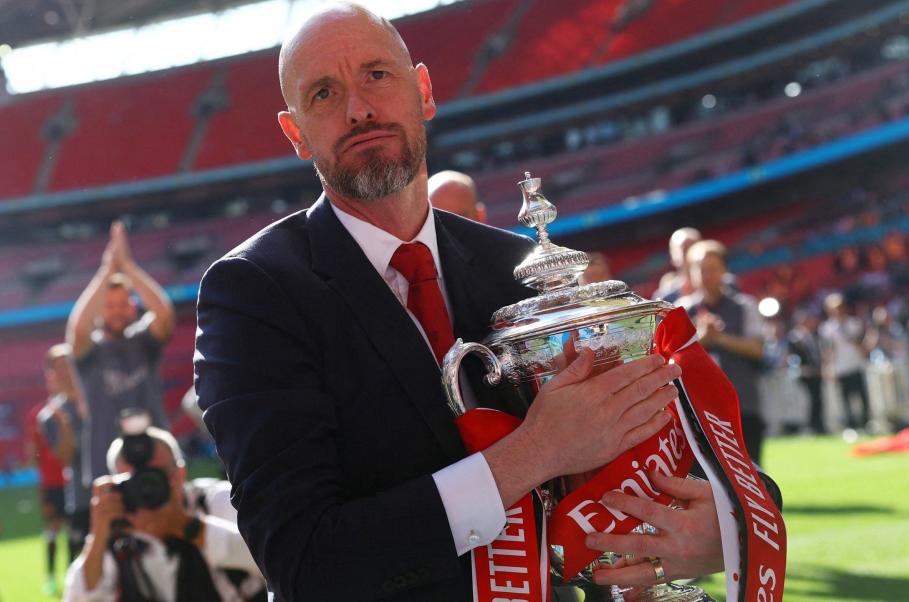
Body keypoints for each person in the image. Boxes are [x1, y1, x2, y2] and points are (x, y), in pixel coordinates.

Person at [193, 4, 721, 600]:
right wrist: (535, 453)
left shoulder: (521, 269)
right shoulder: (252, 292)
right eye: (323, 93)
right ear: (296, 134)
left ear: (424, 91)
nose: (359, 109)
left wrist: (714, 529)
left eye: (377, 75)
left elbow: (678, 449)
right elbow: (304, 559)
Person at [63, 426, 265, 601]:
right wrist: (98, 535)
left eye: (155, 477)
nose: (146, 489)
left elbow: (270, 554)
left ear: (180, 474)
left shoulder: (216, 501)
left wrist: (187, 526)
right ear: (117, 486)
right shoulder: (118, 532)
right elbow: (81, 597)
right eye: (135, 481)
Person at [66, 221, 174, 489]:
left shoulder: (144, 342)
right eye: (109, 305)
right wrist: (106, 272)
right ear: (99, 311)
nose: (117, 311)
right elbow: (77, 330)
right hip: (108, 470)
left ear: (133, 306)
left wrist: (127, 267)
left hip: (158, 459)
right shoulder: (90, 352)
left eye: (123, 303)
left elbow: (163, 314)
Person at [678, 240, 766, 464]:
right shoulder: (681, 310)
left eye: (712, 268)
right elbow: (673, 360)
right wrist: (701, 340)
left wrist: (720, 338)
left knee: (752, 473)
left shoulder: (744, 306)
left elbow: (757, 349)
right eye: (701, 269)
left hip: (742, 404)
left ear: (725, 270)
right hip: (699, 411)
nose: (707, 275)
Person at [36, 344, 91, 572]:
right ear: (51, 373)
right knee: (81, 564)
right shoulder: (50, 415)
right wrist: (67, 425)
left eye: (69, 363)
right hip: (81, 496)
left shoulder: (99, 397)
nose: (66, 370)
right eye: (59, 367)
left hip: (116, 487)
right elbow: (66, 458)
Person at [26, 385, 69, 595]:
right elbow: (33, 452)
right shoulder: (39, 415)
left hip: (75, 483)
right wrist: (41, 486)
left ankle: (72, 577)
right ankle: (51, 577)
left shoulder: (77, 408)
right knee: (52, 531)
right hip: (53, 484)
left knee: (75, 533)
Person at [819, 293, 871, 430]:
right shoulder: (827, 329)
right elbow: (828, 351)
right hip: (841, 367)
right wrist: (829, 367)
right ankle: (850, 425)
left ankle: (866, 422)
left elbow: (863, 343)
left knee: (862, 395)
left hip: (857, 364)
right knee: (845, 398)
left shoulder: (855, 323)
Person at [787, 310, 826, 433]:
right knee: (808, 400)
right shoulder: (795, 338)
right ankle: (810, 424)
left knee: (818, 399)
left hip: (817, 372)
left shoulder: (816, 335)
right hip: (804, 373)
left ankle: (818, 423)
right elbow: (793, 357)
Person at [653, 227, 701, 303]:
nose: (690, 254)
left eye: (694, 247)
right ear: (673, 256)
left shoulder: (722, 286)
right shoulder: (664, 299)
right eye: (685, 249)